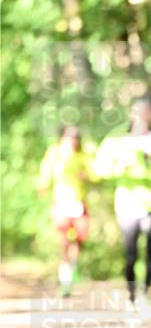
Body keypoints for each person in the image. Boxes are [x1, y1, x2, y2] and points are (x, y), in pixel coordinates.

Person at [95, 96, 151, 309]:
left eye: (148, 112)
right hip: (127, 205)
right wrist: (122, 168)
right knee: (130, 253)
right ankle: (131, 295)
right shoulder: (118, 137)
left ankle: (145, 291)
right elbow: (100, 168)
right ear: (131, 113)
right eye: (139, 111)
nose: (143, 116)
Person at [38, 125, 93, 295]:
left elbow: (95, 173)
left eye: (76, 139)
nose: (73, 142)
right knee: (63, 241)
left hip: (79, 204)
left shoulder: (83, 156)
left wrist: (87, 176)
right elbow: (45, 173)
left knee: (78, 241)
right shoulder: (54, 153)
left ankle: (73, 268)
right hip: (61, 203)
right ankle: (65, 279)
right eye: (70, 138)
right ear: (62, 138)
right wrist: (42, 186)